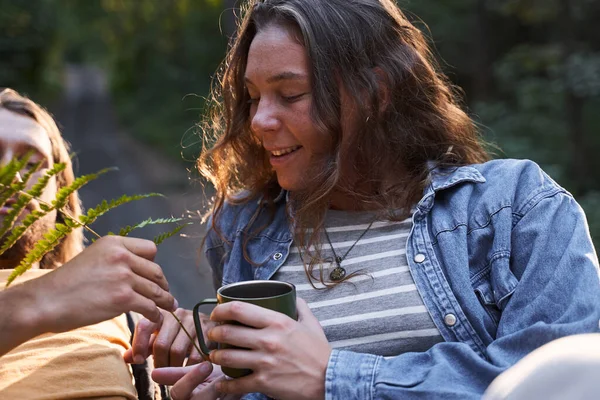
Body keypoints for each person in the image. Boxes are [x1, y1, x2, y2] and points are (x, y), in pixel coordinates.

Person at [128, 0, 600, 399]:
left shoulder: (515, 207)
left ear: (374, 92)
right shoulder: (243, 224)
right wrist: (217, 368)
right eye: (252, 97)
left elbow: (558, 380)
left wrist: (331, 377)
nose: (258, 120)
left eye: (290, 94)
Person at [0, 88, 178, 399]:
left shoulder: (117, 310)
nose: (8, 174)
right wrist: (41, 299)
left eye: (31, 164)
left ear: (60, 196)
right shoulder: (62, 294)